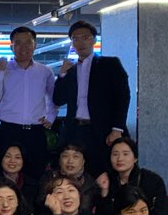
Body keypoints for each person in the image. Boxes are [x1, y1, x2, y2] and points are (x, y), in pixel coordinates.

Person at [53, 20, 131, 177]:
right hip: (75, 130)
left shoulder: (109, 64)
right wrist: (62, 75)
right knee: (73, 174)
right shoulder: (71, 70)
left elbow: (123, 96)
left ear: (94, 40)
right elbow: (58, 99)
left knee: (104, 174)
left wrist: (117, 129)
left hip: (102, 130)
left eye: (85, 37)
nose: (80, 42)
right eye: (75, 38)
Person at [0, 26, 56, 180]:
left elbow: (53, 98)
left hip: (35, 132)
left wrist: (50, 118)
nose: (23, 47)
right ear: (11, 46)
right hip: (8, 130)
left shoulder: (45, 71)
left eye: (28, 42)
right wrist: (0, 73)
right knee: (4, 175)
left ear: (35, 45)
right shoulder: (0, 70)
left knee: (36, 175)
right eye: (18, 43)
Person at [96, 137, 168, 215]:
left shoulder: (152, 180)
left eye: (125, 154)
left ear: (135, 158)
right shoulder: (107, 180)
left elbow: (161, 212)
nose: (120, 159)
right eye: (115, 154)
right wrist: (104, 192)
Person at [36, 143, 98, 212]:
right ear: (59, 160)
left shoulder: (90, 183)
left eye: (76, 156)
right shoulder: (48, 177)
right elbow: (40, 203)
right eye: (65, 156)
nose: (70, 161)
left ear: (83, 161)